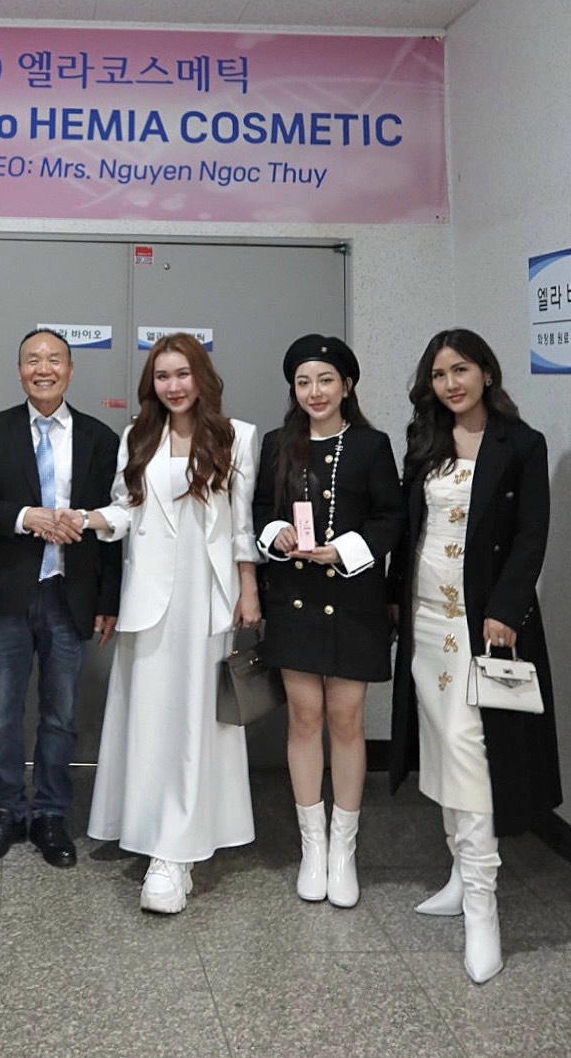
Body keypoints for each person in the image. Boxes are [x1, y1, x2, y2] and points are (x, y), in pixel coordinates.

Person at [389, 328, 561, 983]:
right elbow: (411, 530)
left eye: (460, 369)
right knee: (441, 745)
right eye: (439, 374)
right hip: (426, 620)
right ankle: (461, 875)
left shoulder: (521, 444)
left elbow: (532, 535)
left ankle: (484, 904)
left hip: (485, 625)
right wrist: (392, 602)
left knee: (469, 747)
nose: (450, 384)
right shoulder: (425, 442)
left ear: (486, 372)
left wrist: (507, 609)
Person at [83, 334, 260, 914]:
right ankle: (151, 831)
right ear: (151, 384)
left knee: (196, 720)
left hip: (207, 597)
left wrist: (249, 590)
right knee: (151, 717)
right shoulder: (137, 436)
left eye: (182, 374)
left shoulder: (237, 437)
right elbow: (124, 510)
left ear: (201, 376)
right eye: (162, 376)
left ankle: (176, 853)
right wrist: (86, 520)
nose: (173, 386)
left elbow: (241, 528)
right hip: (150, 599)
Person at [253, 335, 402, 910]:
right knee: (303, 718)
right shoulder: (277, 444)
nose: (315, 392)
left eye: (325, 380)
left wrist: (344, 550)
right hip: (293, 597)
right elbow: (259, 512)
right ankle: (311, 848)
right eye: (304, 382)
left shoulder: (370, 444)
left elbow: (391, 518)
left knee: (346, 720)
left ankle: (344, 850)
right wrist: (276, 535)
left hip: (354, 600)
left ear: (347, 385)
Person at [0, 329, 121, 868]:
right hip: (6, 594)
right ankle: (6, 810)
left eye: (54, 359)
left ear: (70, 371)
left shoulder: (100, 437)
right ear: (19, 371)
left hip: (69, 594)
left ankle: (52, 813)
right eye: (32, 360)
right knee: (3, 713)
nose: (43, 368)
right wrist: (25, 517)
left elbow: (113, 525)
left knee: (61, 714)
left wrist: (109, 600)